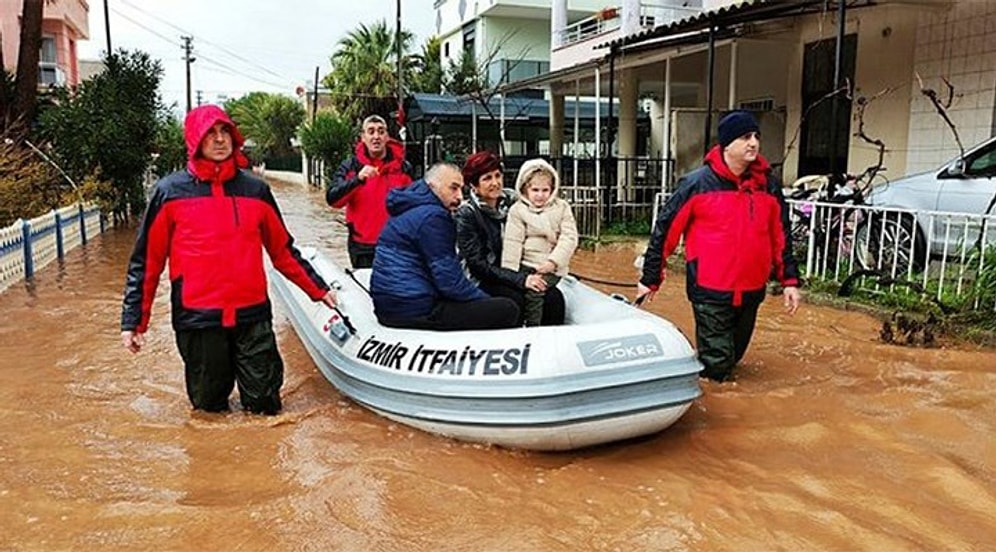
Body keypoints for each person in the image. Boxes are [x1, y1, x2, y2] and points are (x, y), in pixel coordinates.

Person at [120, 104, 337, 415]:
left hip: (252, 316)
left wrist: (319, 290)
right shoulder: (169, 192)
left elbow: (283, 251)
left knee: (265, 407)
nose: (220, 139)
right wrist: (133, 321)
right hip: (198, 318)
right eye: (210, 133)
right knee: (209, 412)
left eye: (225, 132)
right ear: (195, 139)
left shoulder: (256, 190)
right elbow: (147, 262)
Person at [636, 110, 802, 382]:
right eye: (745, 137)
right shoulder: (696, 184)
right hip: (710, 290)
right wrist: (650, 278)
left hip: (751, 290)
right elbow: (665, 231)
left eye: (756, 137)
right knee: (718, 369)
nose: (754, 143)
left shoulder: (767, 186)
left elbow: (780, 236)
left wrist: (790, 281)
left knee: (734, 357)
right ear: (726, 144)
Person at [370, 162, 520, 331]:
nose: (459, 197)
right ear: (433, 186)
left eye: (460, 190)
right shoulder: (433, 217)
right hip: (414, 307)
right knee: (507, 309)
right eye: (453, 188)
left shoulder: (411, 206)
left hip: (393, 302)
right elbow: (449, 281)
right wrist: (483, 300)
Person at [454, 151, 567, 326]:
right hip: (487, 277)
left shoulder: (516, 202)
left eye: (498, 176)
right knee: (515, 301)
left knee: (554, 298)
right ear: (474, 185)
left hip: (519, 268)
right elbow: (477, 264)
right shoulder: (467, 213)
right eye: (487, 178)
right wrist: (521, 280)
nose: (495, 183)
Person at [326, 114, 413, 268]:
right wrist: (358, 179)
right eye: (371, 131)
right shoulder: (350, 166)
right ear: (363, 137)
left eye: (381, 131)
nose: (376, 136)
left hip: (396, 245)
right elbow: (333, 200)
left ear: (387, 136)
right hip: (363, 247)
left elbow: (415, 205)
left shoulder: (403, 168)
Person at [501, 158, 579, 326]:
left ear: (553, 189)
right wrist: (510, 275)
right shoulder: (518, 211)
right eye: (535, 190)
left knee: (535, 291)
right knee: (517, 292)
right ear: (525, 189)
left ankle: (533, 327)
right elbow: (513, 242)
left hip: (551, 266)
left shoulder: (562, 207)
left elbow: (569, 237)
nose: (540, 195)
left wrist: (553, 262)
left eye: (545, 190)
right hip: (525, 264)